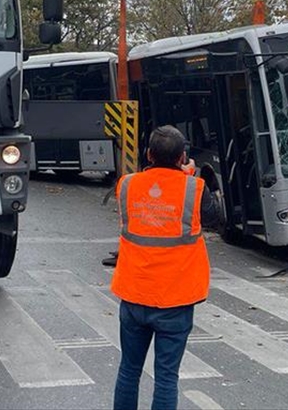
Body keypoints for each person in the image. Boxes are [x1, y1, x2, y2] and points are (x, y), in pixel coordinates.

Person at [110, 126, 222, 410]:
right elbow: (212, 218)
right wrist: (188, 175)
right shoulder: (195, 188)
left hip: (134, 294)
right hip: (175, 299)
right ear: (182, 157)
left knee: (128, 371)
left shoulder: (126, 185)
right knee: (166, 378)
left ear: (148, 154)